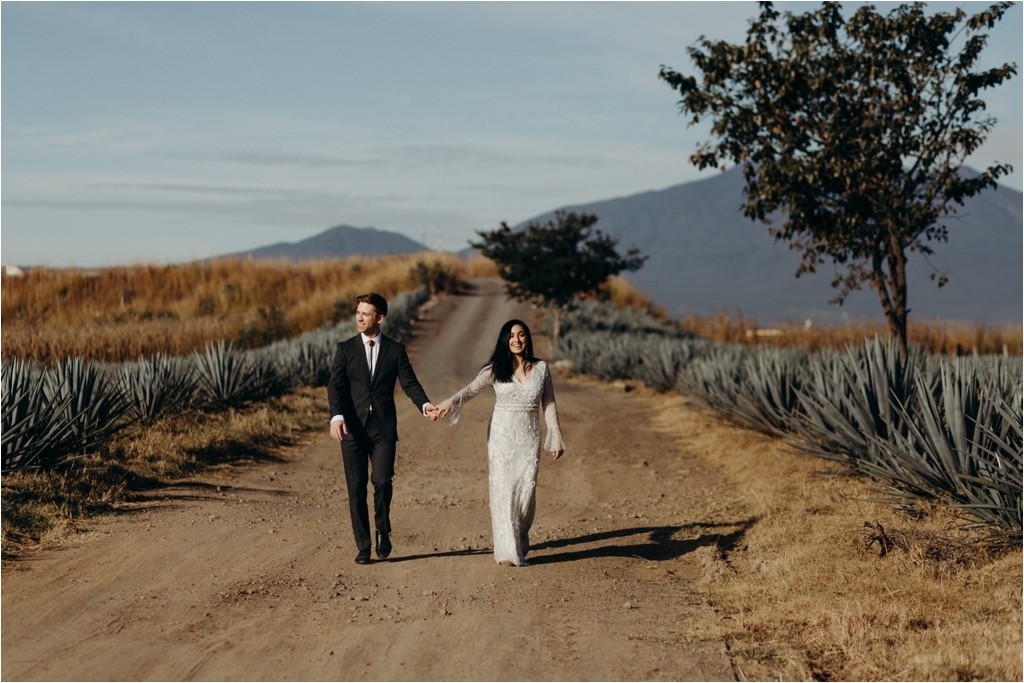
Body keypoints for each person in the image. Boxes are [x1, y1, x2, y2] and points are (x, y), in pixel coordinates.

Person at [434, 319, 565, 566]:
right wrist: (447, 403)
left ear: (527, 339)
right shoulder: (495, 368)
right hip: (501, 436)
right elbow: (469, 390)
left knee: (526, 492)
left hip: (529, 437)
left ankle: (520, 536)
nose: (516, 339)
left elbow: (549, 403)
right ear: (505, 340)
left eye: (522, 335)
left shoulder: (541, 368)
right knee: (504, 492)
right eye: (511, 335)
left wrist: (555, 436)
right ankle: (507, 551)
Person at [328, 293, 436, 565]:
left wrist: (425, 406)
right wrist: (336, 417)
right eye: (358, 313)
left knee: (382, 482)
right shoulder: (345, 349)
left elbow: (410, 383)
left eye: (366, 313)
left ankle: (382, 530)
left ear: (380, 317)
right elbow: (336, 387)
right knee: (356, 488)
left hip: (383, 429)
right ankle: (363, 546)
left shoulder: (395, 350)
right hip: (352, 429)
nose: (359, 317)